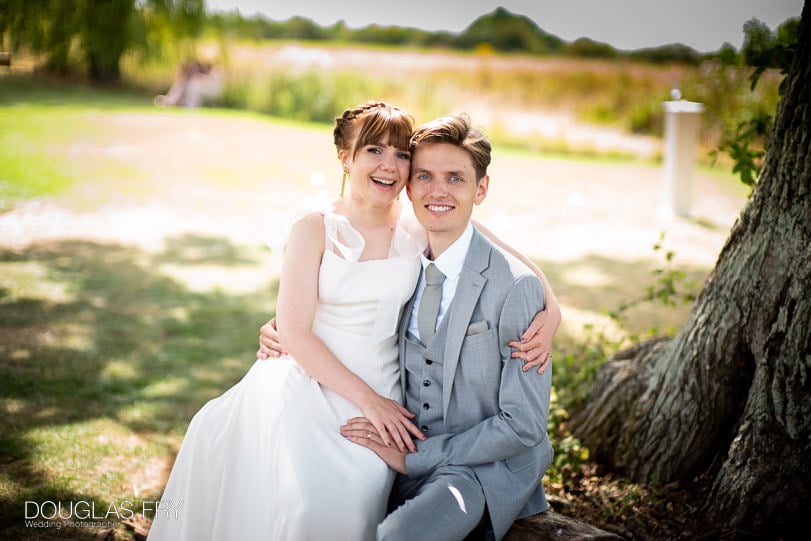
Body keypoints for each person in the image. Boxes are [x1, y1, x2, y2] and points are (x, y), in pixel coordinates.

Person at [149, 102, 559, 541]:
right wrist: (356, 390)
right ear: (345, 157)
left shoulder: (418, 222)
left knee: (358, 492)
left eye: (401, 154)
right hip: (311, 381)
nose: (389, 165)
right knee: (305, 499)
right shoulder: (315, 226)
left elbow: (508, 260)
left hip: (384, 387)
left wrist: (551, 314)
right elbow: (295, 329)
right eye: (374, 151)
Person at [340, 114, 553, 541]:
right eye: (425, 177)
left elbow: (523, 424)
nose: (438, 191)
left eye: (455, 178)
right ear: (409, 186)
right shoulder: (402, 261)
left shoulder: (515, 288)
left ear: (481, 189)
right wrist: (283, 329)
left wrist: (415, 458)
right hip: (403, 447)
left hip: (477, 470)